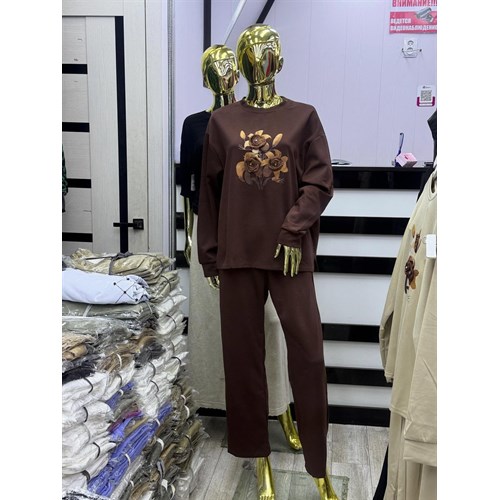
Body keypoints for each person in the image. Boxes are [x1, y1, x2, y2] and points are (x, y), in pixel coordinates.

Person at [197, 25, 338, 500]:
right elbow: (210, 193)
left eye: (269, 48)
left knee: (309, 354)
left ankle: (318, 467)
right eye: (251, 49)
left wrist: (293, 228)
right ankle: (259, 462)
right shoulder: (222, 122)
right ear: (241, 60)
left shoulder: (304, 117)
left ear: (282, 59)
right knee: (243, 360)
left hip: (289, 255)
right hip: (238, 255)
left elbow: (319, 182)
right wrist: (209, 257)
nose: (260, 56)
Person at [179, 44, 302, 464]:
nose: (225, 72)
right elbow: (192, 187)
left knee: (270, 328)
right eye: (214, 67)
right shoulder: (196, 124)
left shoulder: (251, 119)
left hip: (258, 241)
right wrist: (191, 237)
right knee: (215, 333)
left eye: (229, 63)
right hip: (212, 238)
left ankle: (280, 409)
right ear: (205, 78)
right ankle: (215, 408)